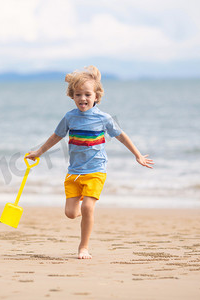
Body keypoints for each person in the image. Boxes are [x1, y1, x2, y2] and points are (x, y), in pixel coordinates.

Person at [25, 66, 154, 259]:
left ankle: (83, 247)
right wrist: (39, 152)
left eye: (87, 94)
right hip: (74, 172)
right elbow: (56, 137)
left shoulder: (104, 118)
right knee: (70, 213)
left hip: (96, 171)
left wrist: (138, 155)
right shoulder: (70, 117)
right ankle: (87, 211)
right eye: (78, 94)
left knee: (87, 208)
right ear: (72, 96)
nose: (82, 98)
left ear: (96, 97)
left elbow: (121, 136)